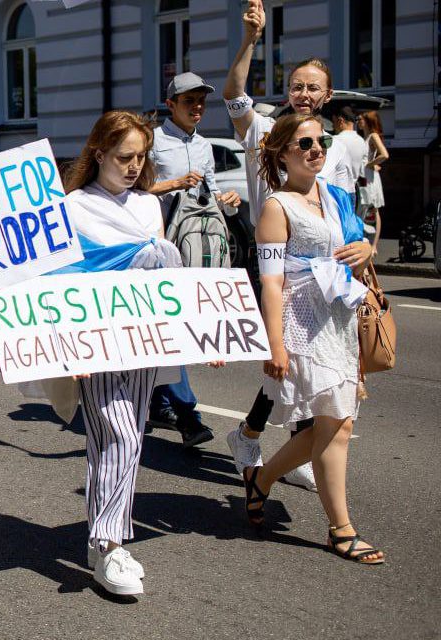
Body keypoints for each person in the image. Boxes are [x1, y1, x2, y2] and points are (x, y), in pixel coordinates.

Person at [54, 110, 224, 596]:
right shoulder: (75, 206)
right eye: (124, 156)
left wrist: (200, 331)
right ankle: (107, 543)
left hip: (144, 339)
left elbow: (166, 281)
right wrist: (73, 348)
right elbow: (65, 280)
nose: (134, 165)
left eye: (141, 157)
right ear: (98, 154)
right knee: (121, 436)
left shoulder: (150, 207)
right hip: (98, 342)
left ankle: (103, 539)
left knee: (120, 440)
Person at [222, 0, 373, 487]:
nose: (304, 94)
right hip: (278, 264)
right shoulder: (264, 129)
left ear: (327, 96)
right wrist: (250, 39)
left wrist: (365, 256)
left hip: (328, 272)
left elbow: (347, 214)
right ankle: (287, 449)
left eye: (313, 87)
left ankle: (256, 436)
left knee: (306, 367)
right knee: (295, 361)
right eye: (297, 85)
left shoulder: (340, 146)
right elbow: (233, 95)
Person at [244, 113, 384, 565]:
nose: (316, 149)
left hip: (339, 319)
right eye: (304, 144)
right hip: (302, 323)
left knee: (331, 421)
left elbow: (358, 249)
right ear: (283, 153)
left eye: (320, 141)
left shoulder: (337, 196)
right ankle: (341, 530)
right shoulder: (275, 207)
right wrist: (275, 344)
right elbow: (271, 283)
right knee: (337, 425)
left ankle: (261, 480)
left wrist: (368, 249)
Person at [144, 71, 241, 447]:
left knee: (165, 332)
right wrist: (171, 184)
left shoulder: (204, 146)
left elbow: (210, 192)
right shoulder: (153, 142)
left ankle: (155, 402)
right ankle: (188, 416)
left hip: (194, 249)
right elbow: (134, 188)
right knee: (169, 329)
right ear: (171, 105)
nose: (197, 108)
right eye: (189, 102)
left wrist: (226, 203)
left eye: (201, 101)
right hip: (157, 248)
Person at [359, 111, 389, 255]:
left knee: (373, 209)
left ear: (368, 121)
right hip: (366, 176)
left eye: (361, 119)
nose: (359, 121)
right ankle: (368, 241)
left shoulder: (373, 136)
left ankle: (374, 244)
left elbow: (384, 154)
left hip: (370, 176)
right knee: (365, 208)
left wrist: (371, 164)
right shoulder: (364, 137)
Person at [327, 106, 368, 197]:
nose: (333, 126)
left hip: (336, 192)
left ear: (340, 121)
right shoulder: (361, 141)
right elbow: (363, 168)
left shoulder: (335, 140)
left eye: (333, 122)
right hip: (353, 191)